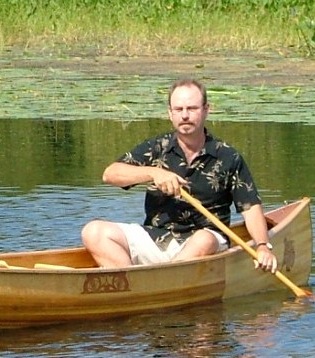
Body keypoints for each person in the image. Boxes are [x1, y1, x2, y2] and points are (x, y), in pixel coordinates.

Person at [81, 78, 277, 272]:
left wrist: (262, 246)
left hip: (207, 243)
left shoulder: (227, 157)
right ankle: (131, 286)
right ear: (170, 113)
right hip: (156, 237)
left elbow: (250, 208)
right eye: (179, 109)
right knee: (94, 231)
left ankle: (163, 281)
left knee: (203, 239)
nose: (185, 115)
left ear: (206, 110)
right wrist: (153, 173)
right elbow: (110, 174)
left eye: (191, 109)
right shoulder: (158, 147)